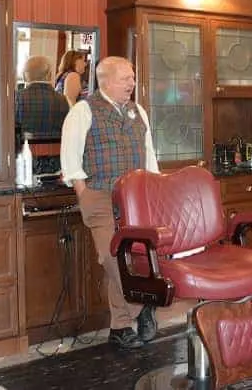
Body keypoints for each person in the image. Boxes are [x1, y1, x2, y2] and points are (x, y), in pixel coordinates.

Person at [60, 56, 160, 349]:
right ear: (105, 81)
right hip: (99, 193)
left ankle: (119, 327)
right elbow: (70, 156)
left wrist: (153, 186)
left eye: (132, 78)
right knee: (111, 256)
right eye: (125, 78)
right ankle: (144, 304)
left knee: (132, 256)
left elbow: (149, 152)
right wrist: (82, 191)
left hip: (136, 196)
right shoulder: (83, 110)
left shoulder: (138, 110)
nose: (132, 83)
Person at [16, 55, 71, 137]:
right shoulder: (64, 100)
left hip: (24, 148)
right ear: (50, 75)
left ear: (24, 76)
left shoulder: (16, 98)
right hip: (55, 148)